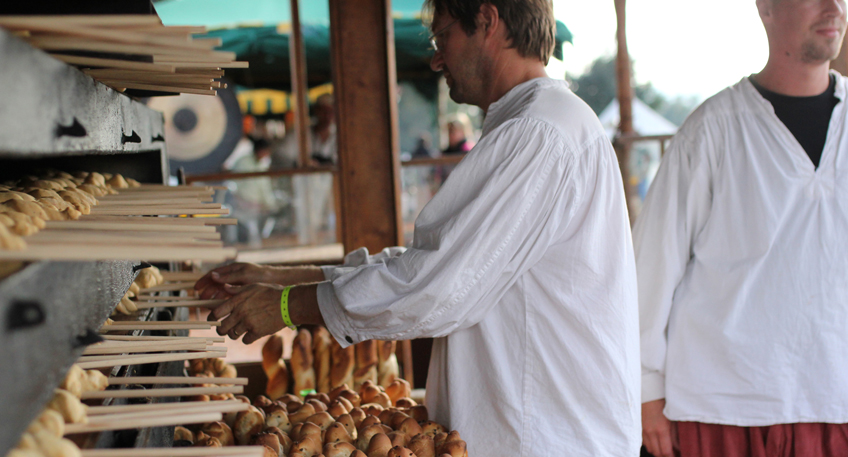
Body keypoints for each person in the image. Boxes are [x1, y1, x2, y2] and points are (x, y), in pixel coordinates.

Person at [195, 1, 640, 455]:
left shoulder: (539, 133)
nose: (436, 58)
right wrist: (281, 278)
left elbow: (435, 288)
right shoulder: (537, 125)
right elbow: (429, 265)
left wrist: (288, 307)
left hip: (544, 438)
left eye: (442, 35)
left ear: (486, 21)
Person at [635, 1, 848, 456]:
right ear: (766, 7)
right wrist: (645, 389)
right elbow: (652, 268)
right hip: (724, 407)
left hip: (837, 397)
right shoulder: (712, 130)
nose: (834, 7)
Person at [271, 94, 338, 244]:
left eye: (332, 112)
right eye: (325, 111)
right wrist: (301, 164)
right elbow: (280, 157)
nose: (328, 116)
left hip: (330, 201)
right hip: (301, 196)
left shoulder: (339, 136)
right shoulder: (300, 133)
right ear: (317, 111)